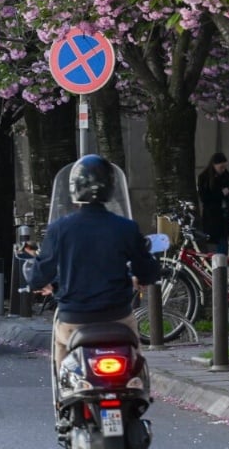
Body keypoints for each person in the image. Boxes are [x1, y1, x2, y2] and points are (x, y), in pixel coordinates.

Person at [27, 154, 161, 373]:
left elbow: (40, 273)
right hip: (117, 316)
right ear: (111, 187)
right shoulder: (126, 227)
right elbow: (146, 269)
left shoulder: (60, 229)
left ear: (73, 189)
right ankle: (138, 387)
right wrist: (141, 277)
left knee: (61, 358)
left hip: (74, 318)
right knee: (135, 359)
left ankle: (63, 399)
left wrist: (38, 283)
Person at [197, 152, 229, 254]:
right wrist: (222, 193)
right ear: (214, 165)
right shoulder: (204, 178)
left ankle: (220, 261)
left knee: (223, 241)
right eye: (221, 167)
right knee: (216, 243)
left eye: (224, 167)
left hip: (225, 215)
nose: (223, 170)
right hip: (213, 215)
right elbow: (204, 198)